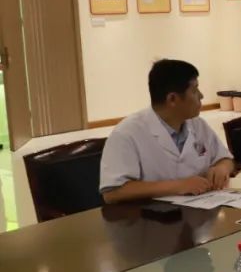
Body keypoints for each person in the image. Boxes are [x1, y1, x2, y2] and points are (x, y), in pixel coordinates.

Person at [99, 59, 234, 204]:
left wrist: (222, 168)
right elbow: (112, 192)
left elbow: (225, 159)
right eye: (195, 90)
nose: (201, 96)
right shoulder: (127, 134)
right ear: (172, 99)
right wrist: (178, 186)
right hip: (150, 215)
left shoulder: (197, 124)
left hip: (201, 208)